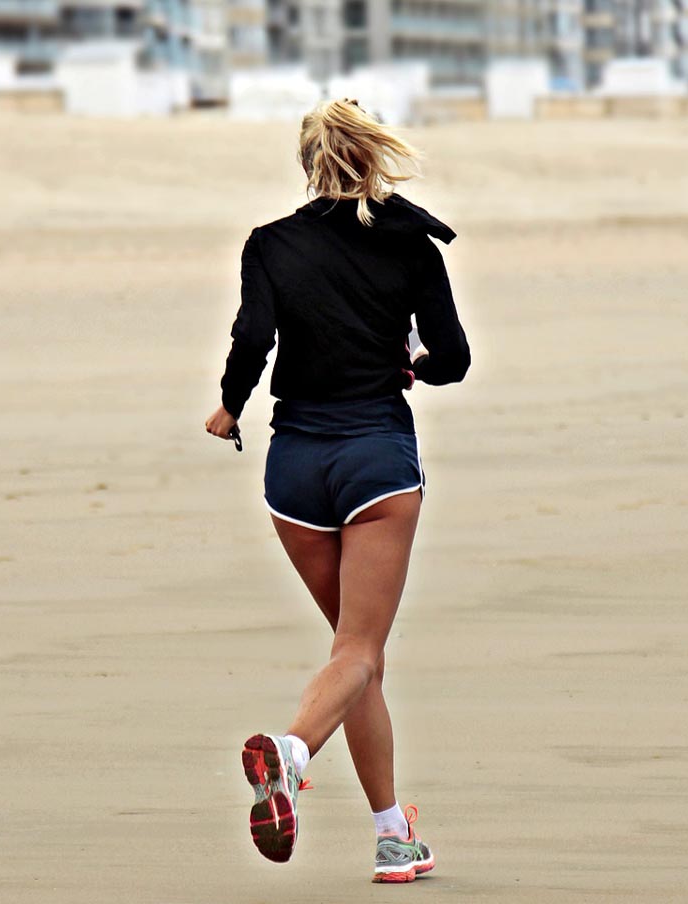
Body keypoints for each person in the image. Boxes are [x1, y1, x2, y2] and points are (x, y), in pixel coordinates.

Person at [204, 98, 470, 883]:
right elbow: (451, 357)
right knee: (358, 650)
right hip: (375, 464)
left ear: (308, 164)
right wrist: (410, 366)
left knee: (357, 660)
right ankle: (288, 755)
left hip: (294, 471)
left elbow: (253, 337)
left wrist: (229, 403)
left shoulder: (270, 244)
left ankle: (395, 835)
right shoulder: (412, 243)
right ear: (373, 154)